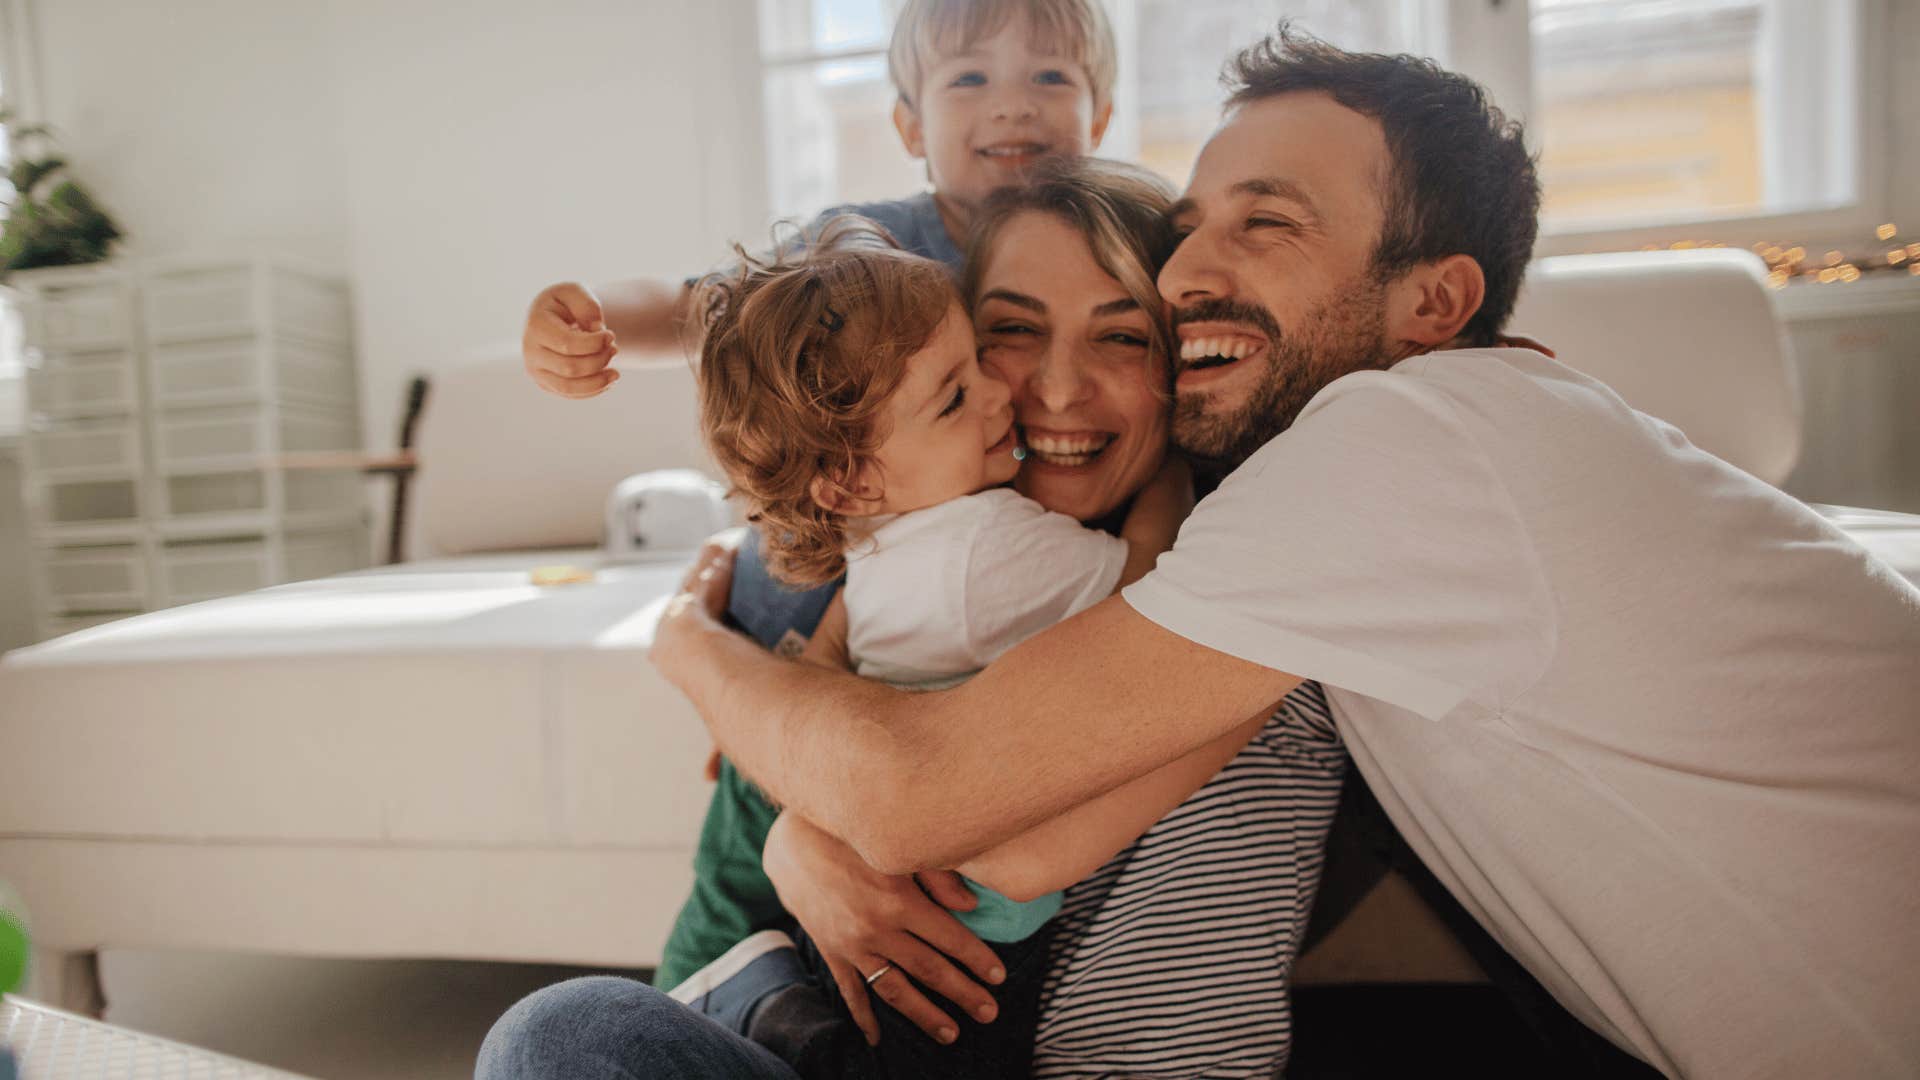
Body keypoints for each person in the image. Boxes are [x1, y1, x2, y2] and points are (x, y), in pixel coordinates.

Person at [650, 25, 1920, 1080]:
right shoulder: (1334, 501)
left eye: (1267, 224)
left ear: (1436, 304)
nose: (1192, 269)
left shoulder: (1402, 443)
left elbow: (943, 808)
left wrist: (691, 650)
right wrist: (793, 825)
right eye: (1191, 228)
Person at [478, 160, 1346, 1079]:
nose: (1044, 390)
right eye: (1007, 333)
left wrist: (701, 662)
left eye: (1123, 337)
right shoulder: (909, 562)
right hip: (831, 1010)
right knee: (562, 1036)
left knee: (565, 1037)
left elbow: (970, 831)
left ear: (1181, 361)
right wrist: (790, 822)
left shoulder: (1234, 607)